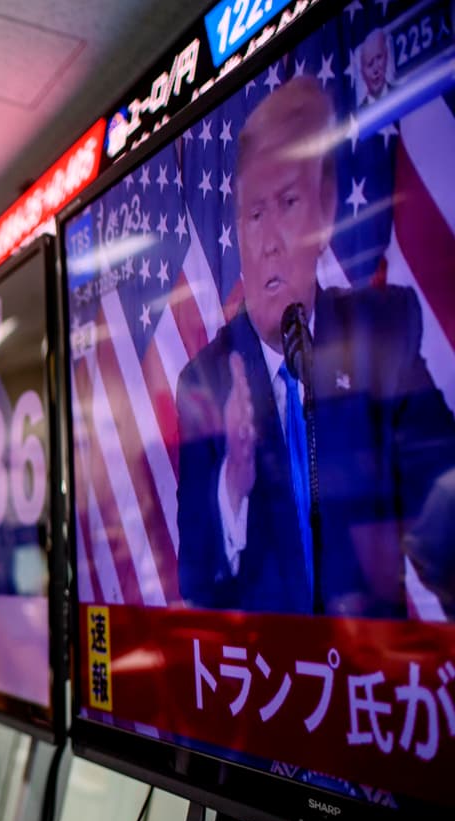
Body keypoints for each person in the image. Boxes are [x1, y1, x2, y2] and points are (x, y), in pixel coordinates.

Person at [176, 76, 455, 618]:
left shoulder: (381, 333)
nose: (269, 239)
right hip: (266, 687)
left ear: (325, 214)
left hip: (369, 687)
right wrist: (233, 482)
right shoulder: (204, 381)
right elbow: (196, 582)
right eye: (254, 214)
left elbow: (441, 511)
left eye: (288, 203)